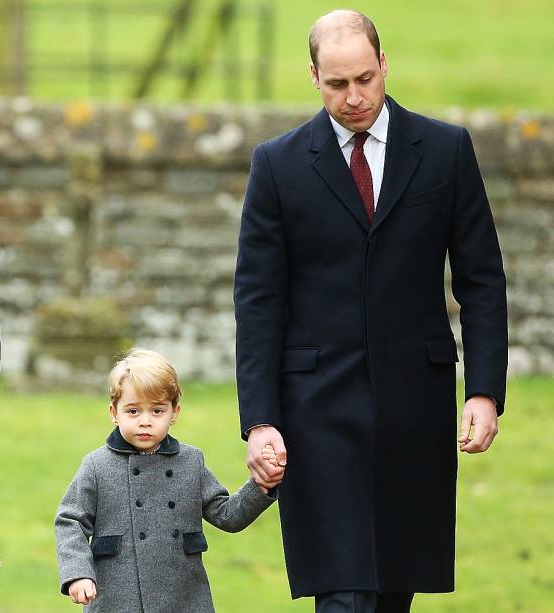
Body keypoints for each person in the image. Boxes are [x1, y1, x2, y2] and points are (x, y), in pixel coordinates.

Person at [233, 10, 508, 612]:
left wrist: (484, 390)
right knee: (343, 594)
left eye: (364, 79)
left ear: (385, 65)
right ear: (313, 77)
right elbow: (257, 300)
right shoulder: (276, 165)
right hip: (315, 410)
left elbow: (481, 280)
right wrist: (258, 419)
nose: (354, 97)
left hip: (416, 404)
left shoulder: (445, 150)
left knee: (390, 595)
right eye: (337, 84)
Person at [55, 348, 276, 612]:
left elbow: (227, 514)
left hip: (184, 598)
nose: (145, 422)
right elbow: (70, 521)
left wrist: (261, 484)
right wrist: (78, 573)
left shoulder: (191, 462)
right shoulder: (96, 465)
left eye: (157, 411)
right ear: (114, 413)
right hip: (117, 598)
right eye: (133, 411)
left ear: (174, 413)